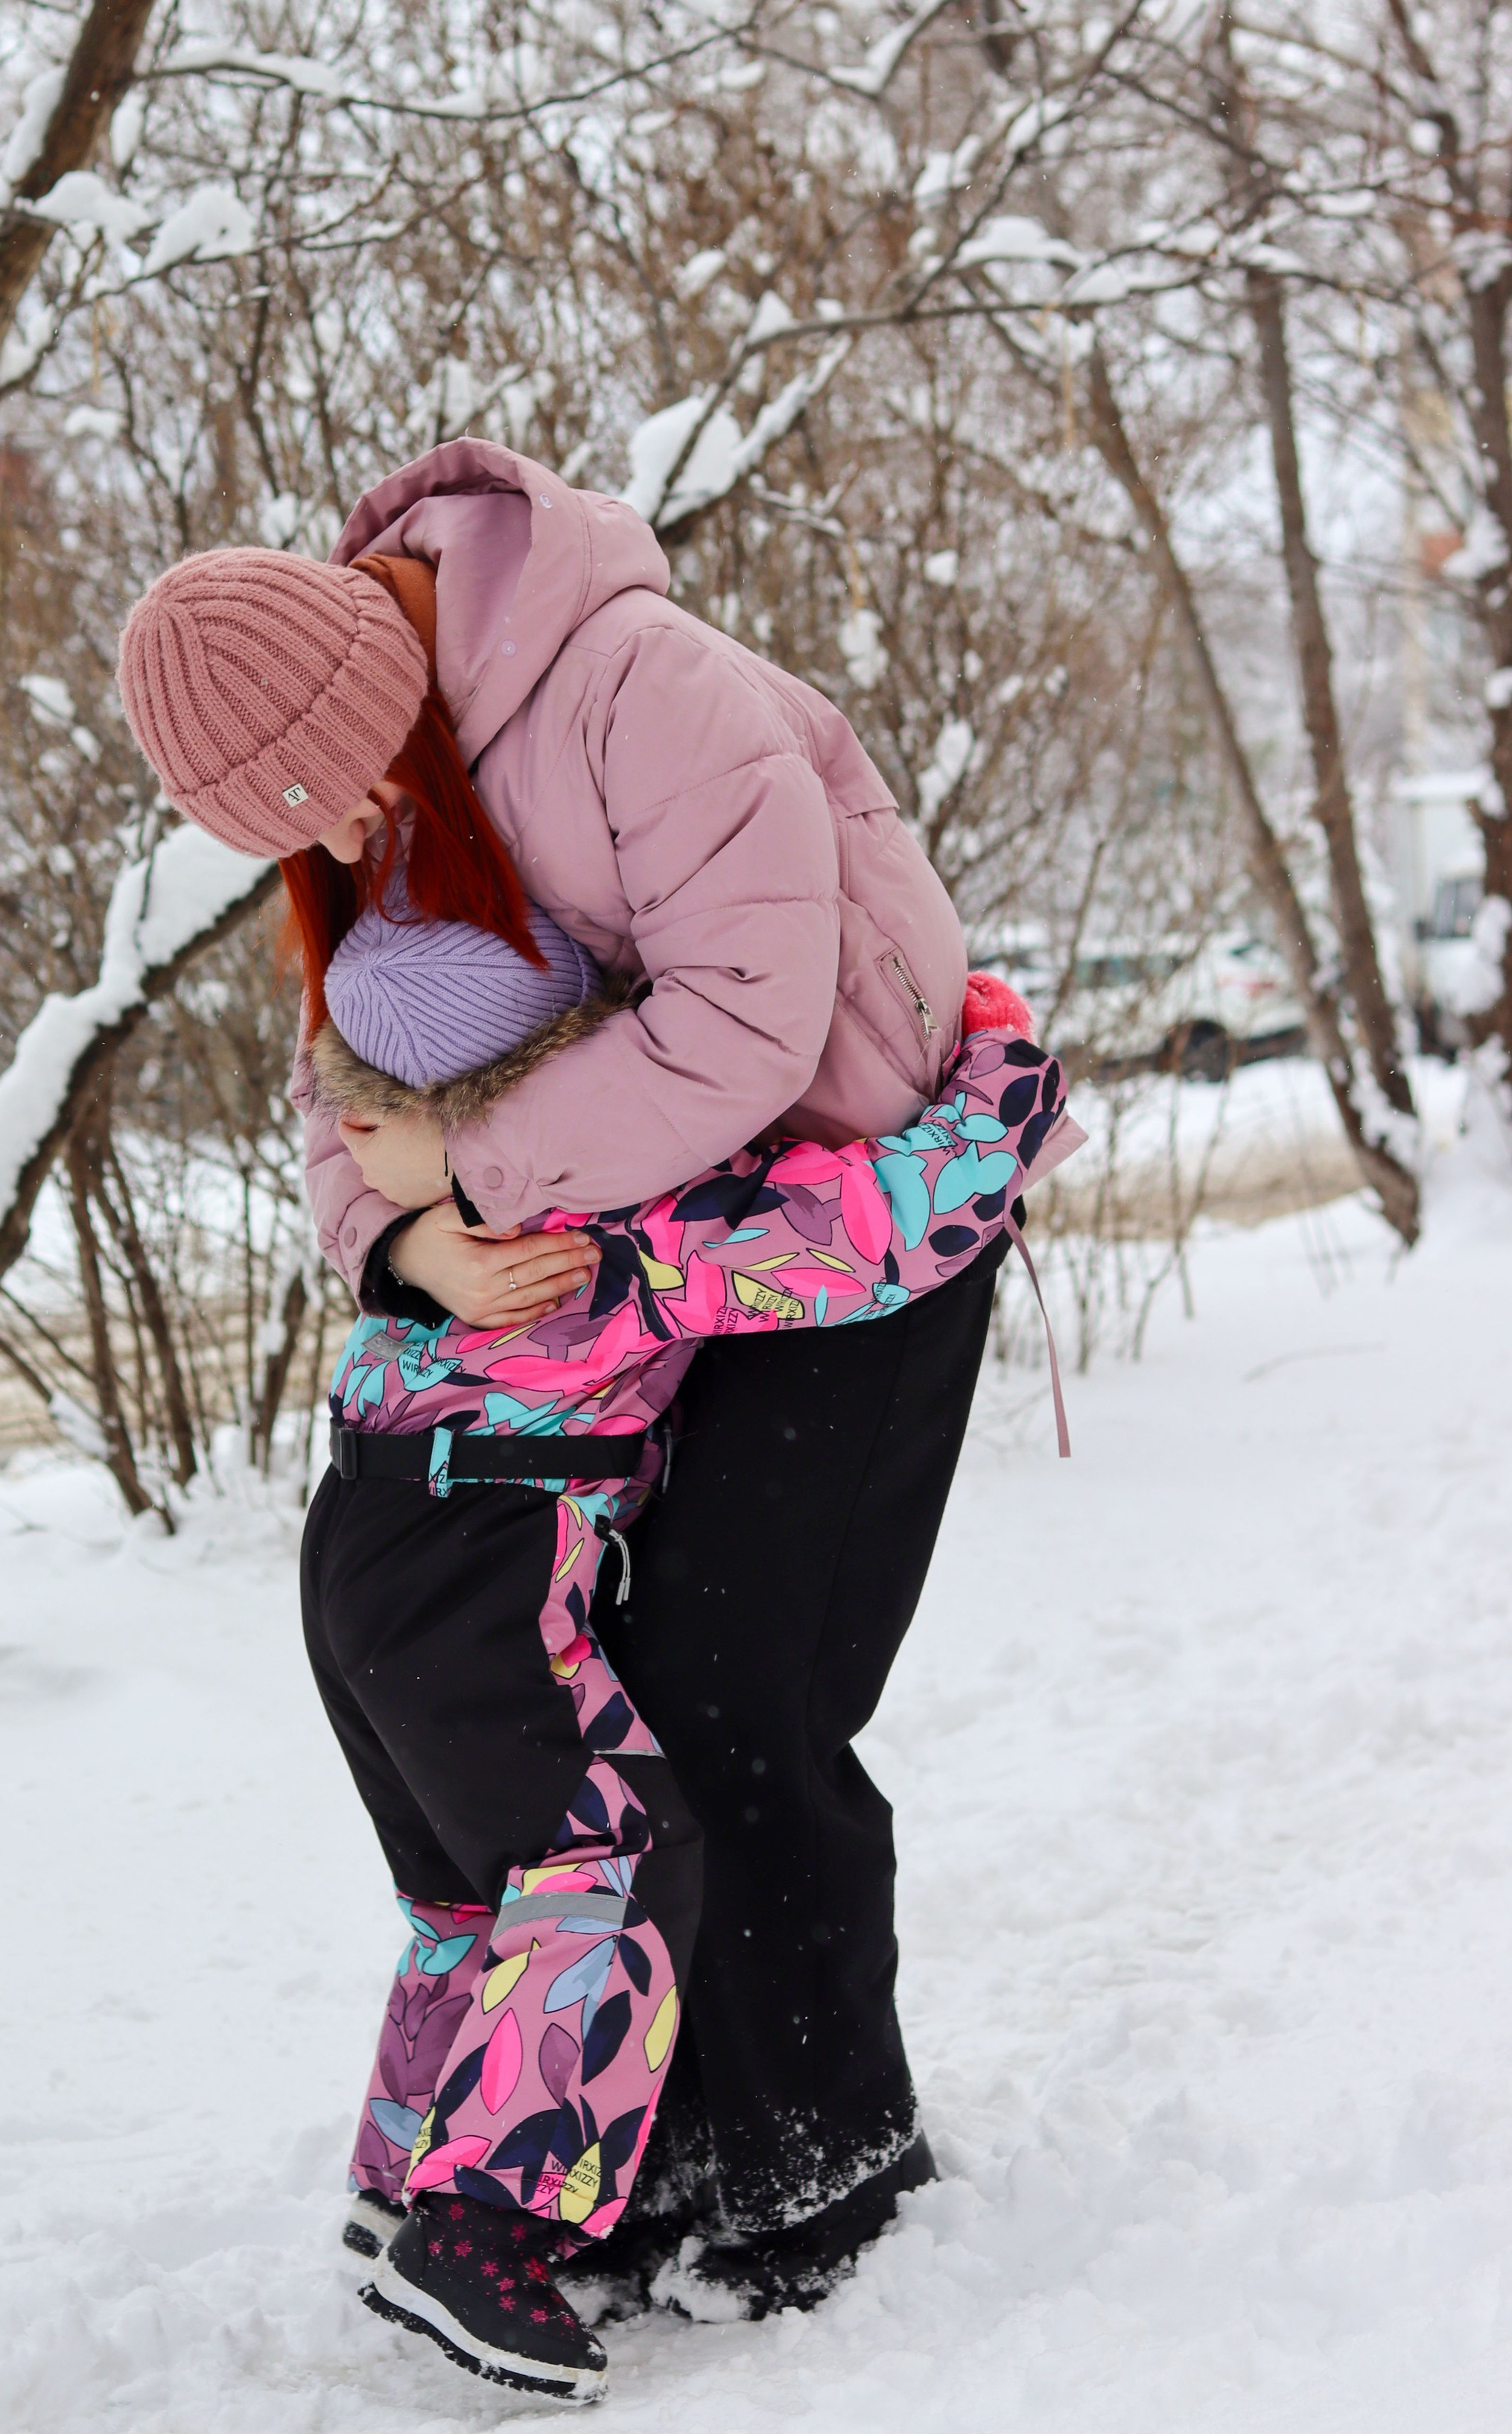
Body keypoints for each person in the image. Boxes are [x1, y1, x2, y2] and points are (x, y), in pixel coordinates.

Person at [116, 437, 1070, 2319]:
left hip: (852, 1225)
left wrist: (474, 1170)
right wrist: (407, 1245)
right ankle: (654, 2160)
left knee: (741, 1687)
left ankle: (819, 2173)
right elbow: (345, 1079)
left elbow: (747, 1023)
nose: (338, 844)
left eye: (336, 797)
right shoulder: (390, 783)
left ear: (370, 693)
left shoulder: (640, 685)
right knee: (632, 1699)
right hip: (638, 1255)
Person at [296, 885, 1067, 2401]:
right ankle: (483, 2234)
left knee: (472, 1898)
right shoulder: (601, 1228)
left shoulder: (427, 1233)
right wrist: (1001, 1073)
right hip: (484, 1570)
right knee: (614, 1864)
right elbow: (880, 1230)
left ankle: (397, 2181)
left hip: (356, 1551)